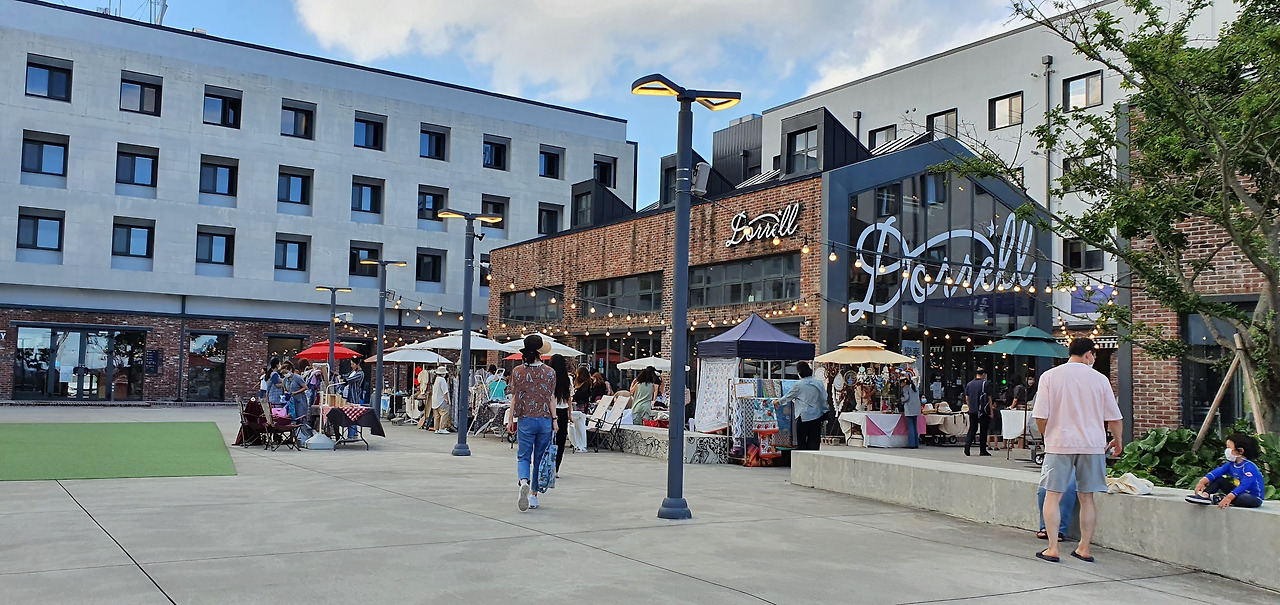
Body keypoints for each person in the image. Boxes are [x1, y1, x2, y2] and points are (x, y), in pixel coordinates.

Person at [1033, 337, 1123, 564]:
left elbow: (1040, 416)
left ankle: (1052, 548)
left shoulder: (1050, 376)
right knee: (1087, 497)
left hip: (1059, 443)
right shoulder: (1100, 379)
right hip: (1092, 445)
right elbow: (1114, 418)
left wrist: (1047, 435)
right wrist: (1118, 440)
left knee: (1053, 495)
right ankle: (1084, 548)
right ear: (1088, 355)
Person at [508, 335, 556, 511]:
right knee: (540, 458)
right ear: (540, 352)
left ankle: (523, 482)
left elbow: (514, 397)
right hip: (544, 419)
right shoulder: (550, 372)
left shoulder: (517, 371)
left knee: (523, 456)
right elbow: (551, 398)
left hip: (525, 418)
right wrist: (555, 420)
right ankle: (534, 495)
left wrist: (510, 419)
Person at [1187, 433, 1265, 508]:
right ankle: (1205, 495)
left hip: (1253, 497)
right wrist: (1202, 482)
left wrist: (1229, 497)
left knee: (1243, 499)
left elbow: (1245, 485)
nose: (1226, 450)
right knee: (1219, 480)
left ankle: (1221, 498)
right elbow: (1217, 472)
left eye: (1229, 447)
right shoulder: (1231, 464)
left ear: (1240, 451)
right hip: (1238, 493)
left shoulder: (1249, 467)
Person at [777, 361, 828, 451]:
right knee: (814, 441)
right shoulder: (819, 383)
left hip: (803, 416)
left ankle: (803, 458)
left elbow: (788, 397)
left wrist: (777, 402)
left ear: (799, 372)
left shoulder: (799, 385)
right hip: (817, 415)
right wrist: (825, 410)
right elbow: (824, 398)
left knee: (801, 441)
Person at [549, 354, 572, 473]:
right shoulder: (568, 379)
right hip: (563, 411)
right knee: (560, 441)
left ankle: (548, 466)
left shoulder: (549, 378)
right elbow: (569, 399)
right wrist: (570, 414)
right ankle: (556, 469)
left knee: (548, 439)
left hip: (550, 411)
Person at [964, 368, 993, 456]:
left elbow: (967, 398)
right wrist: (991, 411)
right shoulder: (985, 384)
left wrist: (970, 407)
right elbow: (989, 398)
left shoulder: (969, 384)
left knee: (973, 428)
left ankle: (967, 445)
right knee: (983, 430)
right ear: (983, 374)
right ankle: (982, 450)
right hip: (983, 410)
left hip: (973, 410)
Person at [899, 376, 922, 449]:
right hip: (916, 408)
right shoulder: (915, 387)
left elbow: (906, 398)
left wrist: (901, 399)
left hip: (909, 408)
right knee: (915, 426)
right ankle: (916, 443)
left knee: (910, 426)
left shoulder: (906, 388)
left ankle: (911, 444)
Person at [430, 366, 452, 434]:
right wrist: (447, 400)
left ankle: (436, 428)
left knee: (436, 416)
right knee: (444, 414)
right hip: (441, 400)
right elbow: (445, 391)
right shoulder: (442, 380)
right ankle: (442, 428)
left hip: (435, 400)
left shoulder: (435, 379)